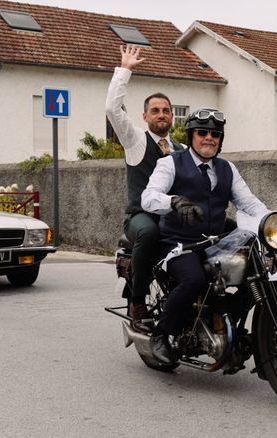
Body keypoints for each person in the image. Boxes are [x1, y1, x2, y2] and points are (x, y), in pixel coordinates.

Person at [141, 108, 269, 364]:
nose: (208, 138)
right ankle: (161, 334)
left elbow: (249, 203)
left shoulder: (227, 169)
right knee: (194, 280)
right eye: (202, 132)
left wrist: (271, 221)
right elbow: (148, 197)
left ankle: (224, 322)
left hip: (215, 243)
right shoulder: (170, 163)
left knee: (257, 274)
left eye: (215, 134)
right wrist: (175, 201)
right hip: (179, 244)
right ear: (191, 136)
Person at [105, 44, 185, 331]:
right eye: (155, 110)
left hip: (173, 214)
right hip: (141, 216)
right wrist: (125, 70)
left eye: (166, 110)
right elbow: (112, 110)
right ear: (145, 117)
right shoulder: (136, 141)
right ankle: (138, 301)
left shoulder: (181, 149)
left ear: (172, 116)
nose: (161, 114)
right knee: (150, 232)